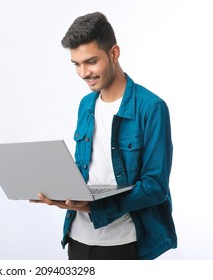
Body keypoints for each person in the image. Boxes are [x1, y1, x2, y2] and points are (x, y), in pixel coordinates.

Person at [34, 12, 177, 260]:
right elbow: (86, 170)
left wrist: (95, 206)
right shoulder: (85, 105)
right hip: (77, 238)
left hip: (123, 244)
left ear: (114, 53)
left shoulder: (151, 108)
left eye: (90, 62)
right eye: (76, 64)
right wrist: (61, 193)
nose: (82, 73)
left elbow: (155, 187)